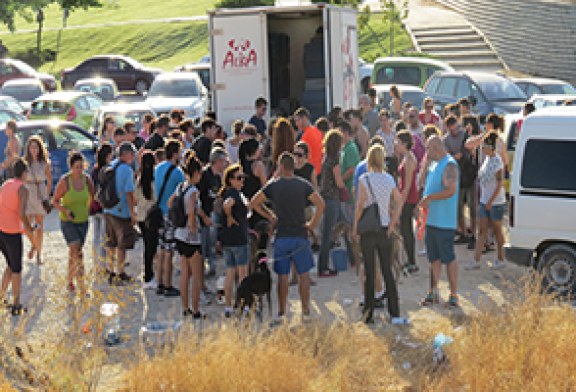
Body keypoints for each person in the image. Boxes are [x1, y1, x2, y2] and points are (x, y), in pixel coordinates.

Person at [250, 152, 325, 322]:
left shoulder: (274, 186)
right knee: (303, 276)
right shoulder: (303, 185)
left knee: (282, 277)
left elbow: (254, 202)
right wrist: (311, 225)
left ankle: (282, 313)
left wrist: (270, 216)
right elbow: (321, 204)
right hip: (300, 234)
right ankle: (305, 312)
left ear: (281, 167)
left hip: (282, 236)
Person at [353, 145, 403, 324]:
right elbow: (399, 201)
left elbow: (359, 206)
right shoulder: (389, 179)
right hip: (384, 229)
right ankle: (395, 313)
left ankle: (369, 314)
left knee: (369, 270)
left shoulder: (364, 179)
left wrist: (354, 227)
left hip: (368, 230)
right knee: (387, 271)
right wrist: (392, 223)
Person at [419, 136, 460, 308]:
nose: (427, 153)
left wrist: (430, 197)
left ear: (436, 148)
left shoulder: (450, 165)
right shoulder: (434, 165)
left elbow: (450, 190)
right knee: (433, 258)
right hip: (432, 220)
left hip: (444, 222)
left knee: (448, 258)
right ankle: (433, 292)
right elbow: (423, 183)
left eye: (428, 149)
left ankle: (453, 294)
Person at [0, 159, 38, 315]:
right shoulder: (22, 188)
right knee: (16, 269)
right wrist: (29, 228)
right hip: (12, 232)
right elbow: (22, 213)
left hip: (1, 229)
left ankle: (2, 297)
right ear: (24, 173)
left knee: (10, 265)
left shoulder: (6, 184)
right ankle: (16, 304)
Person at [53, 152, 95, 294]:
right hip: (68, 221)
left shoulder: (87, 180)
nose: (79, 170)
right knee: (76, 250)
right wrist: (65, 210)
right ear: (71, 167)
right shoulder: (65, 181)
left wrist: (88, 209)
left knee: (76, 253)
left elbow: (92, 196)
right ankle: (82, 285)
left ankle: (70, 280)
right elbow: (55, 201)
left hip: (83, 221)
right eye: (76, 167)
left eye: (81, 167)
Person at [465, 133, 506, 271]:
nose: (482, 149)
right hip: (485, 201)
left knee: (497, 230)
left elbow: (500, 183)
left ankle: (501, 258)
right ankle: (476, 260)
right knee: (482, 231)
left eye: (484, 146)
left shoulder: (497, 161)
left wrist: (490, 201)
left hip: (496, 203)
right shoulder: (487, 159)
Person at [171, 154, 205, 318]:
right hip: (190, 237)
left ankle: (185, 308)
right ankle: (196, 309)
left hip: (179, 234)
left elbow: (171, 202)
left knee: (185, 273)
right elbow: (191, 211)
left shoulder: (180, 187)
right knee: (197, 275)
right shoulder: (193, 191)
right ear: (196, 172)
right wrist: (193, 226)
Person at [104, 142, 138, 286]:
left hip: (108, 209)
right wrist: (132, 213)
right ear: (127, 154)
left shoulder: (111, 165)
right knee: (121, 244)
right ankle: (120, 272)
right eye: (132, 154)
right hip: (121, 211)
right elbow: (129, 193)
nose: (133, 157)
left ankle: (111, 271)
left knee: (111, 243)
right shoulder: (126, 170)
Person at [155, 139, 185, 297]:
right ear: (175, 154)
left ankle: (159, 282)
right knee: (169, 251)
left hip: (158, 212)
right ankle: (168, 284)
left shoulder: (158, 168)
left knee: (161, 249)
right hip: (171, 214)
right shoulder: (178, 172)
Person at [218, 164, 249, 318]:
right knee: (242, 274)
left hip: (227, 239)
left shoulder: (226, 193)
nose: (241, 180)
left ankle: (228, 307)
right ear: (230, 180)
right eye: (238, 178)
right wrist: (230, 216)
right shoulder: (233, 194)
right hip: (238, 238)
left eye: (242, 177)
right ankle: (243, 304)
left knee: (229, 273)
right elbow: (227, 204)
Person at [318, 129, 347, 277]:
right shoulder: (334, 159)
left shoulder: (326, 157)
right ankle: (323, 266)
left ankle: (350, 257)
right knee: (327, 233)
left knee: (344, 223)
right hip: (332, 198)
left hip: (326, 197)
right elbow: (339, 181)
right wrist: (346, 188)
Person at [443, 115, 475, 245]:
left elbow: (473, 149)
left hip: (469, 173)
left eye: (455, 128)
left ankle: (473, 233)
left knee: (473, 207)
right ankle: (462, 232)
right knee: (458, 207)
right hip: (456, 177)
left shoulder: (465, 135)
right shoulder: (446, 139)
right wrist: (452, 156)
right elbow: (444, 155)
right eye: (452, 129)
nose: (454, 131)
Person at [198, 148, 228, 277]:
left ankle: (211, 267)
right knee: (203, 244)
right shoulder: (205, 175)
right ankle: (201, 269)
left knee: (212, 242)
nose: (225, 164)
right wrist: (203, 215)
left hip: (213, 214)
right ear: (217, 161)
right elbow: (197, 197)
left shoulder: (218, 177)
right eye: (223, 161)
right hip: (204, 214)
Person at [23, 136, 52, 265]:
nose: (34, 149)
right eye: (31, 147)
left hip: (40, 192)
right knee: (27, 226)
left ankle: (39, 254)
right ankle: (35, 245)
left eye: (36, 147)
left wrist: (47, 196)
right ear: (28, 149)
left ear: (40, 148)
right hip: (28, 193)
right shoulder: (24, 163)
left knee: (39, 226)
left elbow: (49, 180)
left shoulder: (45, 163)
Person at [395, 130, 419, 274]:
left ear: (404, 143)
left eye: (397, 142)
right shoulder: (406, 157)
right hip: (406, 197)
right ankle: (410, 260)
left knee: (407, 231)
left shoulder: (409, 159)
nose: (395, 145)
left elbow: (408, 185)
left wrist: (400, 202)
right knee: (405, 231)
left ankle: (412, 262)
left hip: (408, 199)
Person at [239, 138, 269, 250]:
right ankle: (261, 261)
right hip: (257, 202)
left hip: (245, 203)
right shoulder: (258, 165)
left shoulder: (240, 165)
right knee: (263, 235)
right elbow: (265, 186)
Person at [136, 151, 158, 289]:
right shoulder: (155, 180)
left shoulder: (139, 180)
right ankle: (149, 275)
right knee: (152, 247)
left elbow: (135, 197)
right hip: (152, 216)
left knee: (147, 246)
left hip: (141, 216)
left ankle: (147, 273)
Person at [91, 143, 113, 269]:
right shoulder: (108, 170)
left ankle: (96, 263)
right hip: (104, 206)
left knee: (96, 237)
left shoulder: (95, 170)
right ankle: (102, 264)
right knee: (104, 237)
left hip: (95, 206)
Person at [339, 120, 361, 222]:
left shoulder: (351, 148)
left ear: (345, 133)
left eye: (339, 132)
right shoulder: (344, 148)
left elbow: (351, 170)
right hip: (345, 192)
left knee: (350, 221)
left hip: (349, 192)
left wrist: (340, 181)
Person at [294, 108, 323, 175]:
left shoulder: (306, 135)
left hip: (309, 172)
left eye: (297, 120)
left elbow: (300, 156)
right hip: (319, 171)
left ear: (304, 118)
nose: (296, 124)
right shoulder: (317, 132)